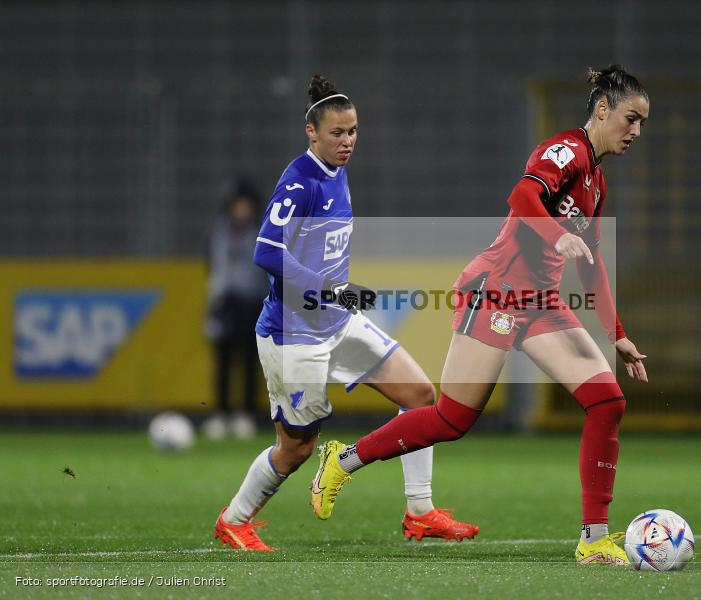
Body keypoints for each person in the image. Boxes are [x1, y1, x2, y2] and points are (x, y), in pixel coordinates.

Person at [310, 65, 650, 566]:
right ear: (603, 109)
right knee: (453, 419)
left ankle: (593, 539)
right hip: (495, 291)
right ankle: (343, 459)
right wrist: (558, 235)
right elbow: (523, 196)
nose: (636, 131)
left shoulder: (596, 182)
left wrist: (616, 333)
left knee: (607, 402)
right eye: (631, 118)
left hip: (540, 303)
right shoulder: (566, 151)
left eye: (642, 122)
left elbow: (592, 262)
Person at [213, 75, 479, 551]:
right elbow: (266, 252)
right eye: (336, 133)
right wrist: (329, 288)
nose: (347, 141)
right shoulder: (300, 181)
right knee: (296, 448)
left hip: (336, 321)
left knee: (420, 394)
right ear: (311, 132)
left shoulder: (338, 171)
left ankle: (420, 512)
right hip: (293, 334)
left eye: (353, 131)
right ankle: (234, 519)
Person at [203, 180, 268, 440]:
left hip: (253, 302)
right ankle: (220, 413)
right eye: (237, 205)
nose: (241, 210)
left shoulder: (262, 232)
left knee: (251, 361)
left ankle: (246, 414)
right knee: (223, 360)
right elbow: (211, 267)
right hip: (225, 303)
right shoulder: (218, 233)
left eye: (245, 205)